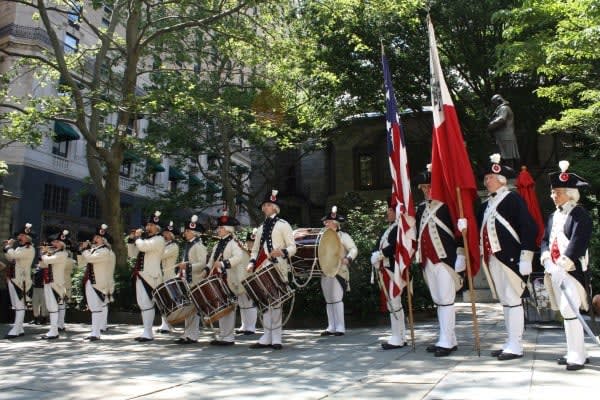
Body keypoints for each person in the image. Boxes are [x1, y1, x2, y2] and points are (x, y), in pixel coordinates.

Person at [476, 154, 536, 360]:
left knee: (513, 299)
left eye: (490, 177)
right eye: (485, 178)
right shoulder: (485, 205)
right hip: (493, 258)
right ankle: (510, 340)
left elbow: (529, 227)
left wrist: (526, 256)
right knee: (505, 301)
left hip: (510, 258)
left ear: (501, 179)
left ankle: (516, 344)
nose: (486, 180)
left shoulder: (512, 199)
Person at [540, 161, 593, 371]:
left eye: (558, 192)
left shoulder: (579, 214)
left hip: (572, 271)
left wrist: (562, 264)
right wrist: (545, 258)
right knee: (566, 311)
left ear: (570, 193)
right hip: (555, 270)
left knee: (570, 310)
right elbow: (546, 239)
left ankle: (577, 355)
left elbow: (579, 241)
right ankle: (576, 351)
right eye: (553, 192)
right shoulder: (554, 215)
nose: (553, 196)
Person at [414, 164, 464, 357]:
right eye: (424, 188)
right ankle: (448, 338)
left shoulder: (448, 205)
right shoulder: (420, 209)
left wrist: (461, 254)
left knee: (446, 299)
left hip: (445, 259)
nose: (426, 190)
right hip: (427, 260)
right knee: (439, 300)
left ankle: (446, 340)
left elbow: (460, 232)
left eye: (429, 187)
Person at [247, 189, 297, 350]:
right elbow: (255, 250)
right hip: (261, 268)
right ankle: (266, 336)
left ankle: (276, 337)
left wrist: (282, 252)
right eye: (264, 205)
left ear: (275, 208)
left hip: (277, 267)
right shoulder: (261, 228)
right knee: (265, 302)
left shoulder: (284, 225)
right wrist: (251, 262)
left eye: (268, 205)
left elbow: (293, 247)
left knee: (276, 303)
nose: (265, 207)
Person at [207, 210, 249, 346]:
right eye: (218, 227)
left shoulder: (234, 243)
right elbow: (212, 259)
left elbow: (238, 257)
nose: (218, 230)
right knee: (221, 308)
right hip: (217, 279)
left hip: (228, 279)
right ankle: (223, 335)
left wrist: (224, 263)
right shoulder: (218, 243)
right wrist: (207, 269)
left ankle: (229, 337)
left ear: (227, 229)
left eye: (220, 228)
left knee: (229, 308)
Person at [371, 198, 407, 350]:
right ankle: (399, 335)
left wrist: (381, 254)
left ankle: (398, 337)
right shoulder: (390, 228)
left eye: (391, 210)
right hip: (386, 270)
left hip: (394, 270)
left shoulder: (399, 228)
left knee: (394, 303)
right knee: (392, 303)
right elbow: (379, 244)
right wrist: (375, 253)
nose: (388, 212)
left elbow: (396, 247)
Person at [319, 206, 358, 337]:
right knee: (329, 300)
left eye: (328, 222)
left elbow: (353, 249)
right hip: (325, 270)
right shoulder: (322, 237)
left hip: (339, 271)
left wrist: (348, 258)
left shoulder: (343, 236)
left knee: (336, 299)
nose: (325, 223)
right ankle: (331, 326)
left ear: (335, 223)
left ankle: (340, 327)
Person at [129, 211, 166, 342]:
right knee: (143, 304)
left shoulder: (159, 239)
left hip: (151, 275)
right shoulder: (145, 239)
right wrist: (131, 240)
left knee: (148, 303)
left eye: (150, 225)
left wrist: (138, 238)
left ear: (157, 227)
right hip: (140, 274)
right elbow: (132, 254)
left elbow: (143, 247)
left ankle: (148, 332)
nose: (147, 227)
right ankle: (146, 331)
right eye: (148, 224)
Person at [173, 215, 207, 345]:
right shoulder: (188, 245)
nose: (184, 233)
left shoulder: (199, 246)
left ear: (193, 232)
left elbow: (202, 264)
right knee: (188, 309)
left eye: (187, 231)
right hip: (186, 279)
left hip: (195, 280)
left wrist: (187, 266)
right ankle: (187, 334)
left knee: (193, 309)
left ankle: (192, 336)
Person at [80, 224, 116, 341]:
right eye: (95, 237)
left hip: (98, 283)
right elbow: (83, 262)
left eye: (97, 238)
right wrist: (82, 250)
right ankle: (95, 332)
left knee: (96, 308)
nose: (94, 239)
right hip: (91, 280)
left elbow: (90, 258)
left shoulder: (105, 251)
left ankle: (96, 333)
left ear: (103, 240)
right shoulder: (95, 250)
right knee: (93, 307)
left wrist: (85, 250)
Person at [3, 223, 35, 338]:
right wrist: (8, 249)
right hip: (14, 278)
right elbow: (10, 257)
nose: (18, 237)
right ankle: (20, 328)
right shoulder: (19, 248)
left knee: (20, 305)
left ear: (27, 237)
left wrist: (8, 247)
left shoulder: (29, 248)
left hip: (21, 280)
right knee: (16, 305)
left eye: (21, 235)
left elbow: (13, 255)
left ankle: (16, 329)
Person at [39, 228, 73, 340]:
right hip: (49, 281)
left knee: (53, 307)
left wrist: (44, 253)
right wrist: (46, 254)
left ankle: (54, 331)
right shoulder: (55, 253)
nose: (53, 243)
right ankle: (53, 330)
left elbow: (47, 261)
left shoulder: (63, 254)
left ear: (62, 244)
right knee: (51, 306)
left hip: (55, 283)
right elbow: (43, 264)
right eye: (54, 242)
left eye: (56, 242)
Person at [156, 221, 179, 334]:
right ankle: (163, 323)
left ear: (172, 235)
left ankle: (168, 324)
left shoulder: (173, 246)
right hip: (161, 276)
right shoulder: (163, 245)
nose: (165, 235)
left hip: (169, 276)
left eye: (167, 233)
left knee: (168, 301)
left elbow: (160, 255)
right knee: (161, 300)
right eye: (164, 232)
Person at [487, 94, 520, 169]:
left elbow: (501, 119)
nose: (494, 105)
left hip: (505, 137)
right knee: (503, 157)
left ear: (498, 101)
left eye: (494, 103)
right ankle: (506, 173)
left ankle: (510, 175)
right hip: (503, 137)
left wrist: (490, 125)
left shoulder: (504, 108)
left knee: (508, 157)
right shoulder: (501, 108)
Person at [236, 229, 258, 335]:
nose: (250, 244)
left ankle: (251, 327)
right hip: (241, 280)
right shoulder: (242, 250)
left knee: (250, 304)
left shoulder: (256, 253)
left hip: (251, 280)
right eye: (249, 242)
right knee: (242, 304)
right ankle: (244, 325)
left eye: (252, 242)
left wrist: (246, 250)